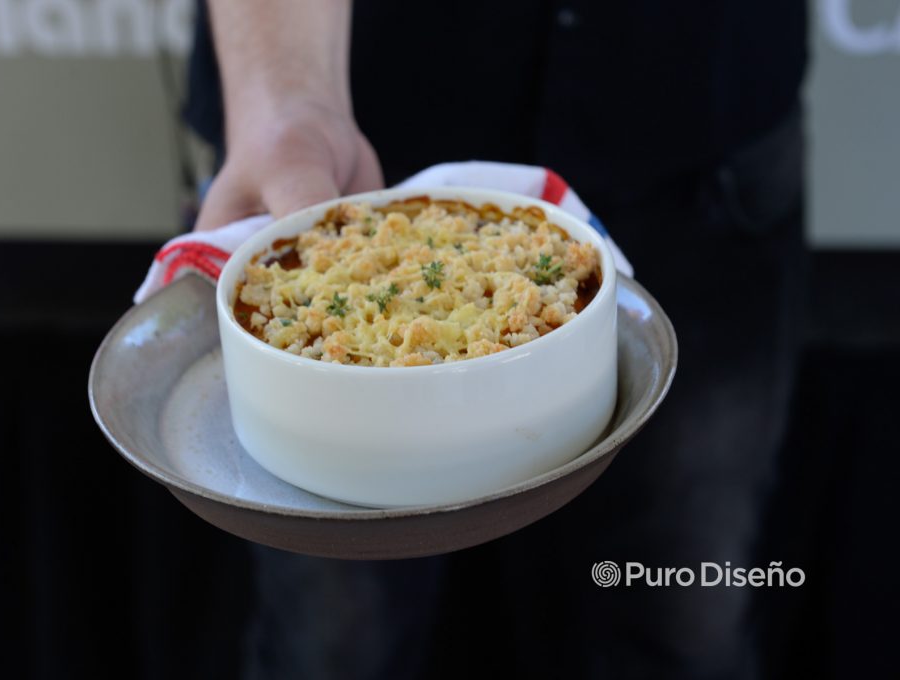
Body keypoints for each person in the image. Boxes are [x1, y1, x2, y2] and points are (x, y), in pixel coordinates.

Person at [184, 1, 808, 677]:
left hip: (695, 135)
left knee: (684, 612)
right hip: (342, 160)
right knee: (334, 643)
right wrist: (288, 103)